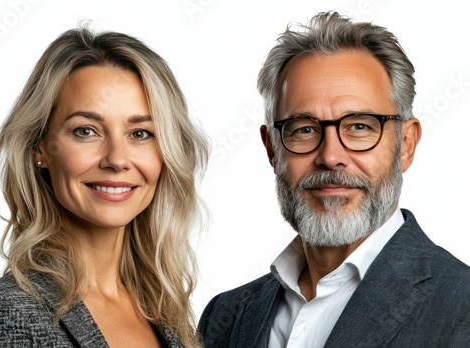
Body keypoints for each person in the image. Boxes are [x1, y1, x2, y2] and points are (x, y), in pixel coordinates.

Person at [198, 11, 470, 348]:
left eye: (359, 126)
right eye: (304, 129)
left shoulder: (462, 308)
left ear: (406, 145)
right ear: (272, 149)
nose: (329, 156)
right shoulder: (224, 318)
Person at [0, 27, 209, 348]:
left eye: (140, 133)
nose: (117, 159)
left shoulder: (166, 313)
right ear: (38, 147)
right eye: (86, 131)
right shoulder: (3, 314)